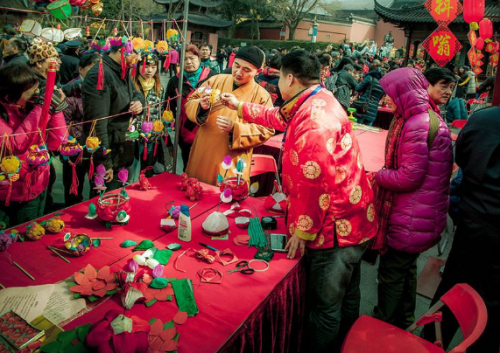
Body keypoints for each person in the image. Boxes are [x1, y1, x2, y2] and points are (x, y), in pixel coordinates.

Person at [220, 50, 377, 353]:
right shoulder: (316, 98)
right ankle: (349, 344)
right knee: (348, 294)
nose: (277, 84)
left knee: (325, 306)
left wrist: (303, 232)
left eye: (278, 77)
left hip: (334, 226)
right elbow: (278, 117)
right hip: (354, 217)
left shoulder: (314, 121)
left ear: (289, 78)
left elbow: (313, 182)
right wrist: (240, 106)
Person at [373, 68, 453, 329]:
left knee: (392, 274)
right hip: (420, 213)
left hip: (411, 216)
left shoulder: (417, 122)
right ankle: (403, 322)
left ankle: (382, 327)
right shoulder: (424, 117)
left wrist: (378, 176)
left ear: (404, 93)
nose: (388, 100)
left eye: (391, 95)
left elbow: (409, 177)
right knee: (405, 271)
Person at [423, 106, 500, 353]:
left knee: (454, 286)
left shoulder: (484, 119)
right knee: (492, 302)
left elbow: (461, 159)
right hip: (481, 221)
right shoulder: (485, 119)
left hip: (474, 221)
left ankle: (430, 343)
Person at [184, 46, 274, 185]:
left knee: (225, 195)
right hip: (203, 149)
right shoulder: (214, 81)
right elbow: (190, 101)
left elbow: (267, 129)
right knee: (195, 190)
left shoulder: (262, 96)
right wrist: (201, 106)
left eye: (246, 70)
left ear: (258, 72)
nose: (238, 72)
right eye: (236, 66)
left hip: (232, 157)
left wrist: (236, 128)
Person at [0, 64, 66, 228]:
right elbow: (14, 145)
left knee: (29, 237)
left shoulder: (30, 108)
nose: (37, 95)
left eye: (38, 90)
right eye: (32, 92)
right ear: (9, 96)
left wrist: (54, 110)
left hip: (34, 187)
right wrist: (41, 109)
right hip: (6, 191)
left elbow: (57, 142)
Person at [82, 37, 144, 192]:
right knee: (105, 204)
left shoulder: (122, 71)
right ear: (123, 51)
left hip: (122, 149)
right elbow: (96, 124)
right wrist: (104, 163)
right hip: (110, 154)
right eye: (137, 53)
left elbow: (137, 94)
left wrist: (138, 103)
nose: (140, 58)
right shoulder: (100, 74)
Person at [165, 44, 216, 170]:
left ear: (199, 59)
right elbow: (168, 108)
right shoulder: (174, 81)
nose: (188, 62)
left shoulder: (212, 77)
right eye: (185, 59)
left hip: (208, 129)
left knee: (206, 168)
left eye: (192, 58)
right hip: (186, 131)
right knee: (188, 167)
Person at [61, 53, 99, 206]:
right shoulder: (71, 89)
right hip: (75, 147)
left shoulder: (101, 87)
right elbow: (64, 124)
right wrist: (79, 141)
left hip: (95, 146)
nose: (96, 71)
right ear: (81, 69)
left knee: (97, 185)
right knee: (73, 186)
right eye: (92, 67)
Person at [131, 51, 171, 180]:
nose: (149, 70)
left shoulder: (159, 87)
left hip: (152, 136)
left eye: (153, 67)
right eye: (146, 66)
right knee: (131, 170)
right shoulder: (132, 85)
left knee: (147, 170)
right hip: (133, 135)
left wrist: (162, 130)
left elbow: (161, 110)